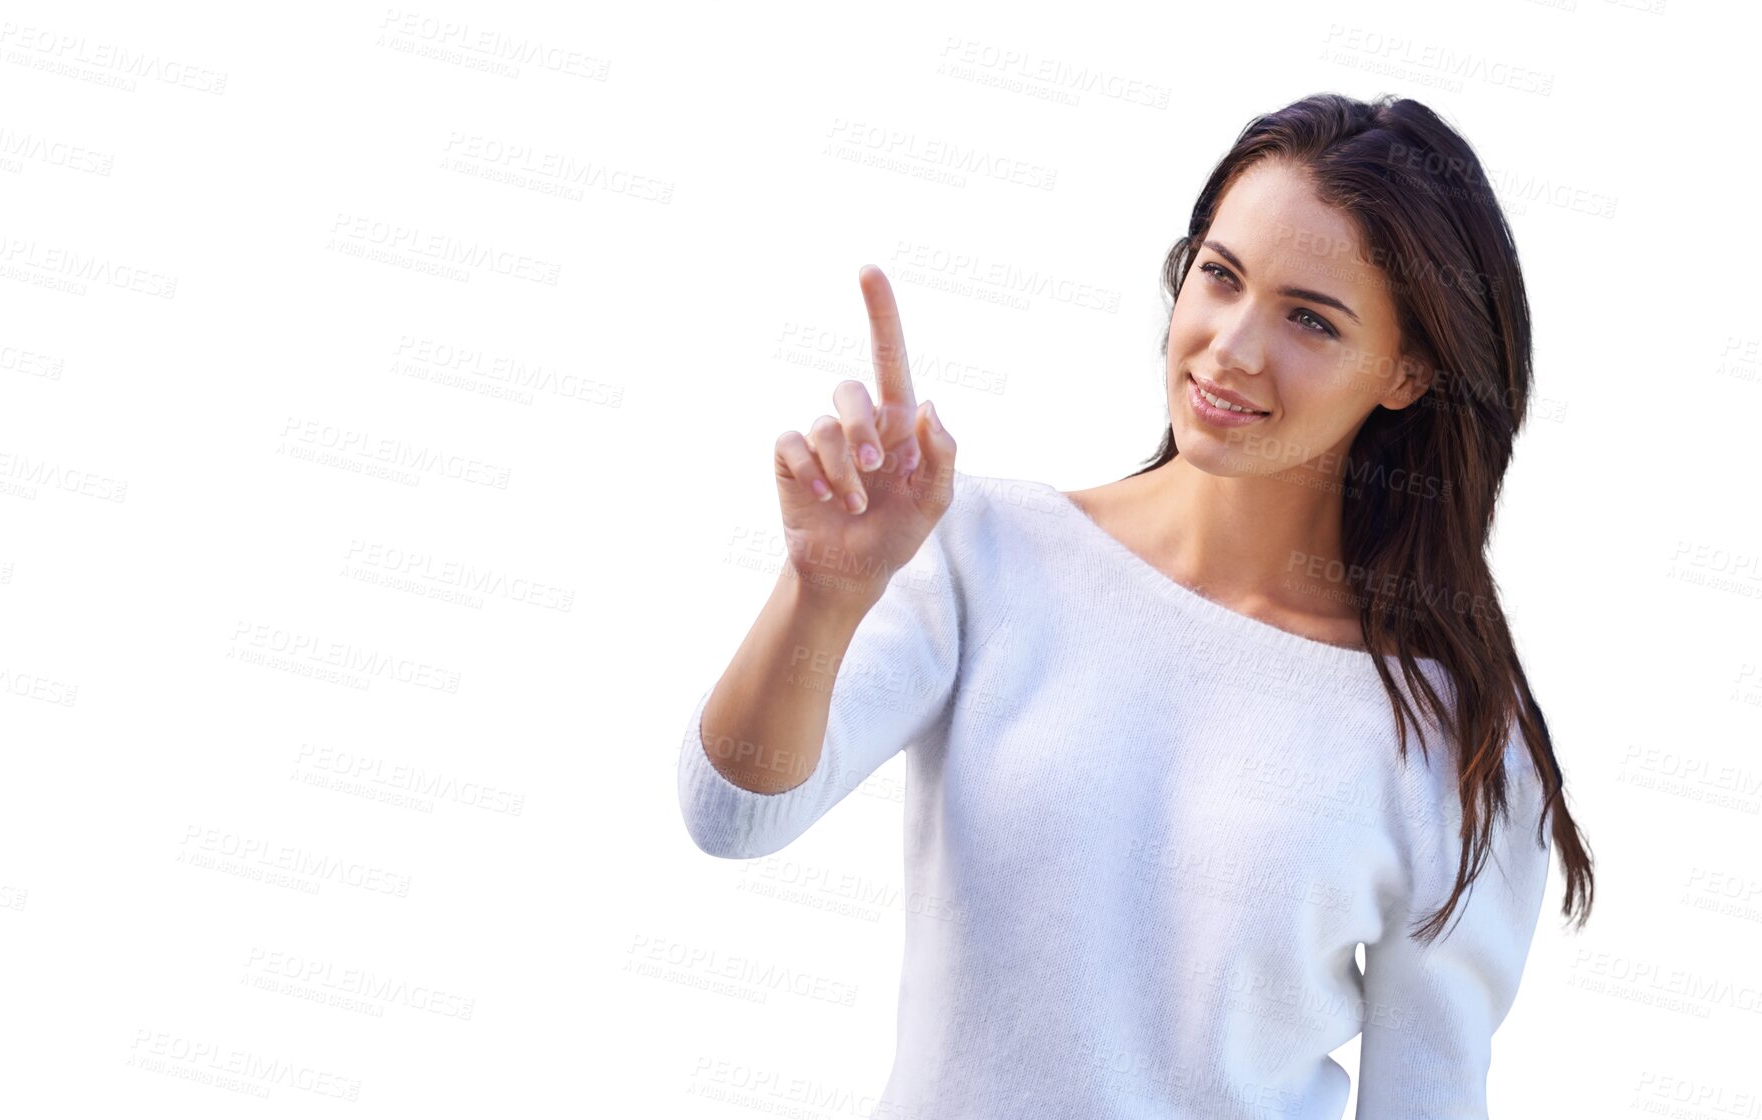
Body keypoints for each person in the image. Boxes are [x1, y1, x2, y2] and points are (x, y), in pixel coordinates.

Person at [675, 92, 1595, 1118]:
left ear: (1406, 372)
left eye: (1308, 317)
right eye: (1219, 273)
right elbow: (733, 816)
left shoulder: (1449, 743)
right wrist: (821, 593)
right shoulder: (987, 555)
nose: (1229, 346)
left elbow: (1424, 1100)